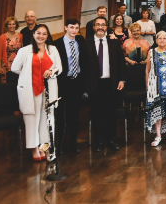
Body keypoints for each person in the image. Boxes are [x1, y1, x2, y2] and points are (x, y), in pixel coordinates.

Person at [11, 24, 62, 161]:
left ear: (47, 36)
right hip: (31, 89)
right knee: (31, 119)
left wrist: (51, 71)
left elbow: (59, 68)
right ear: (33, 34)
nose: (41, 36)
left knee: (46, 119)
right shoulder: (24, 51)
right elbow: (14, 68)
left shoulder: (52, 49)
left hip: (47, 89)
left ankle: (43, 147)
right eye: (38, 33)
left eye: (44, 34)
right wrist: (28, 74)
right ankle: (34, 148)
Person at [86, 16, 126, 152]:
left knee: (111, 114)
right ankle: (99, 142)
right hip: (94, 85)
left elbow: (121, 63)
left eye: (103, 25)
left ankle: (112, 140)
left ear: (107, 27)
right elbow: (83, 66)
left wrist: (122, 80)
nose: (100, 27)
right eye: (98, 25)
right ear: (93, 27)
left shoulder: (114, 43)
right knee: (96, 115)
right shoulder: (87, 43)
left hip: (111, 84)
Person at [53, 18, 88, 154]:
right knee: (61, 115)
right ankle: (61, 144)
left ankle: (73, 143)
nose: (74, 30)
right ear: (65, 28)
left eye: (76, 28)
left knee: (74, 115)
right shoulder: (56, 44)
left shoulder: (81, 41)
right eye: (71, 27)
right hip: (63, 83)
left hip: (76, 82)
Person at [0, 16, 23, 83]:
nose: (11, 26)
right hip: (7, 65)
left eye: (13, 24)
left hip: (19, 64)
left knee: (18, 83)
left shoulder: (20, 36)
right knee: (7, 85)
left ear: (16, 25)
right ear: (7, 25)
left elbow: (23, 51)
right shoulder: (2, 38)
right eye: (9, 24)